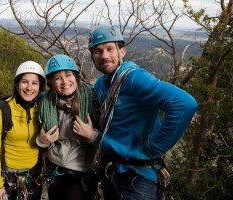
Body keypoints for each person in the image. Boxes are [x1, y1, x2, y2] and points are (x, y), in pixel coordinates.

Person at [88, 25, 198, 200]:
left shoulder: (134, 78)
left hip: (138, 175)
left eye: (110, 49)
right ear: (92, 56)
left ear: (122, 51)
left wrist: (155, 147)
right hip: (112, 168)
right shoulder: (101, 84)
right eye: (98, 51)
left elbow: (184, 104)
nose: (104, 56)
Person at [36, 54, 101, 200]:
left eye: (68, 75)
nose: (64, 81)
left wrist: (92, 134)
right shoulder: (46, 103)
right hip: (53, 171)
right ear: (51, 82)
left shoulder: (92, 100)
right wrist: (42, 141)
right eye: (58, 78)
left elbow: (108, 139)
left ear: (76, 77)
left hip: (79, 175)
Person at [0, 61, 46, 200]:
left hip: (33, 176)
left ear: (40, 87)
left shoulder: (42, 110)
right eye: (24, 82)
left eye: (34, 83)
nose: (29, 87)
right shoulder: (0, 112)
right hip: (8, 178)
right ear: (17, 84)